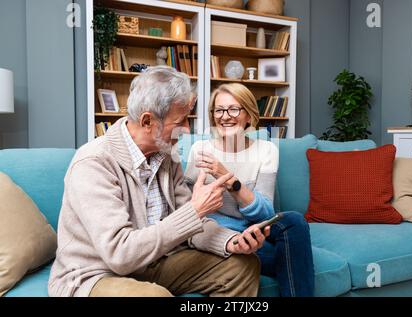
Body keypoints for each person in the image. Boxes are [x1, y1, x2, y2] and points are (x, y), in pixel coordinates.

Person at [48, 67, 269, 297]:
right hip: (97, 273)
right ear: (147, 121)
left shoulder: (166, 156)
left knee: (243, 266)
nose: (186, 130)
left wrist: (231, 241)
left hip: (155, 262)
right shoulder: (93, 163)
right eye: (180, 121)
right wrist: (195, 210)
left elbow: (191, 226)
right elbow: (120, 254)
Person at [184, 83, 315, 297]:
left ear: (248, 115)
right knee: (290, 257)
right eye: (219, 110)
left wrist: (228, 178)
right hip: (223, 234)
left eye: (234, 109)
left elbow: (265, 213)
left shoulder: (267, 150)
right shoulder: (200, 150)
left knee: (294, 220)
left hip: (257, 228)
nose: (225, 116)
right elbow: (191, 212)